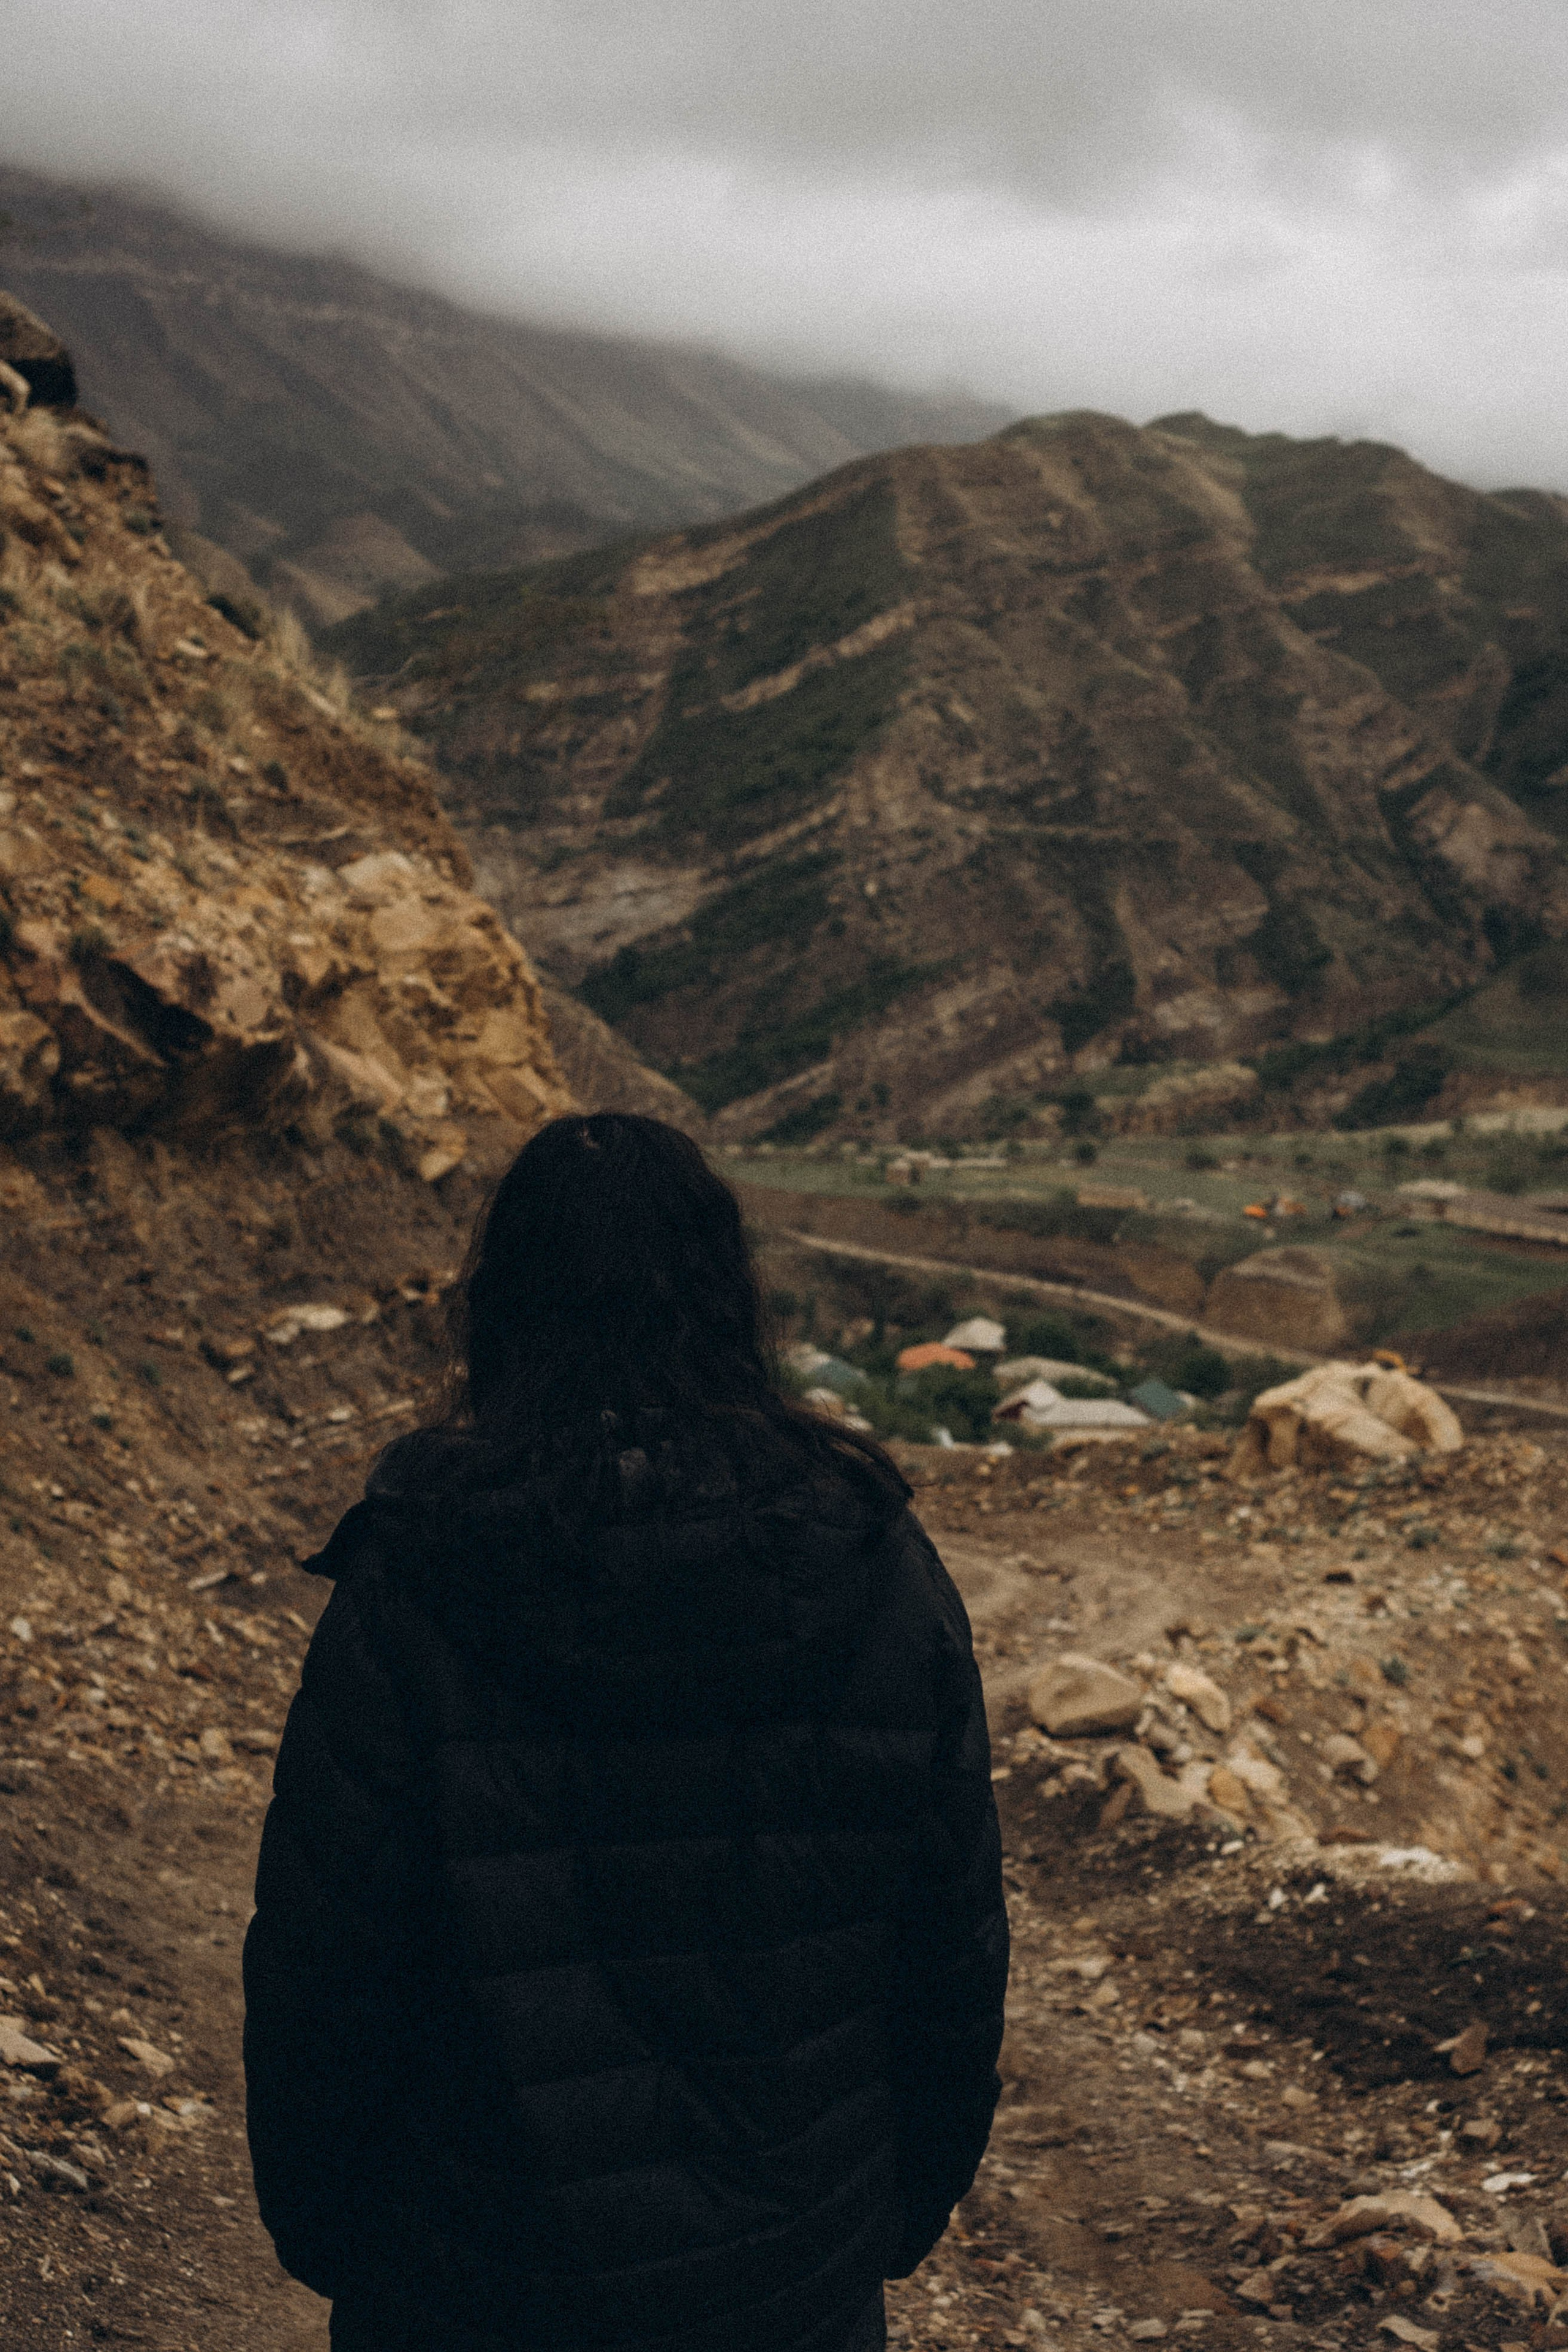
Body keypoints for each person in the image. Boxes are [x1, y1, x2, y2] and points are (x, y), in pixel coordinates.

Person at [243, 1112, 1008, 2352]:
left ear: (505, 1302)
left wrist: (335, 2236)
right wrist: (879, 2223)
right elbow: (949, 1946)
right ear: (724, 1294)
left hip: (467, 2277)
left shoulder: (418, 1574)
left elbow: (327, 1961)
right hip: (788, 2281)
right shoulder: (873, 1564)